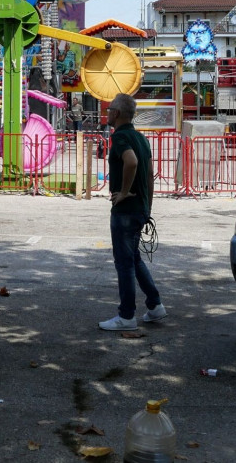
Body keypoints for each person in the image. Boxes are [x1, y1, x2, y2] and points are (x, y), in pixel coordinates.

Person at [98, 93, 166, 331]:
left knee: (124, 263)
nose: (107, 114)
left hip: (125, 210)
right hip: (139, 209)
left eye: (109, 110)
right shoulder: (141, 137)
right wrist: (148, 206)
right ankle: (155, 305)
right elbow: (148, 174)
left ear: (116, 114)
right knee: (134, 259)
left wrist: (124, 192)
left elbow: (132, 162)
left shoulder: (121, 137)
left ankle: (126, 317)